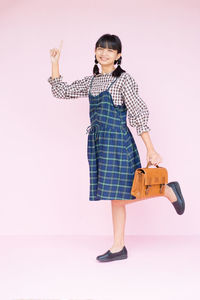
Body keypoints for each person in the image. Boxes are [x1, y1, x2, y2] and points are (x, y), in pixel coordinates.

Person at [48, 34, 185, 263]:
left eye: (110, 50)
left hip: (119, 143)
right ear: (95, 51)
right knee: (115, 197)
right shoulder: (91, 81)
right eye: (100, 49)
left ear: (118, 55)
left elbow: (139, 113)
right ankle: (118, 247)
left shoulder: (124, 80)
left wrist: (150, 149)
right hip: (100, 144)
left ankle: (165, 190)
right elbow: (61, 91)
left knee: (120, 195)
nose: (104, 53)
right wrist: (55, 64)